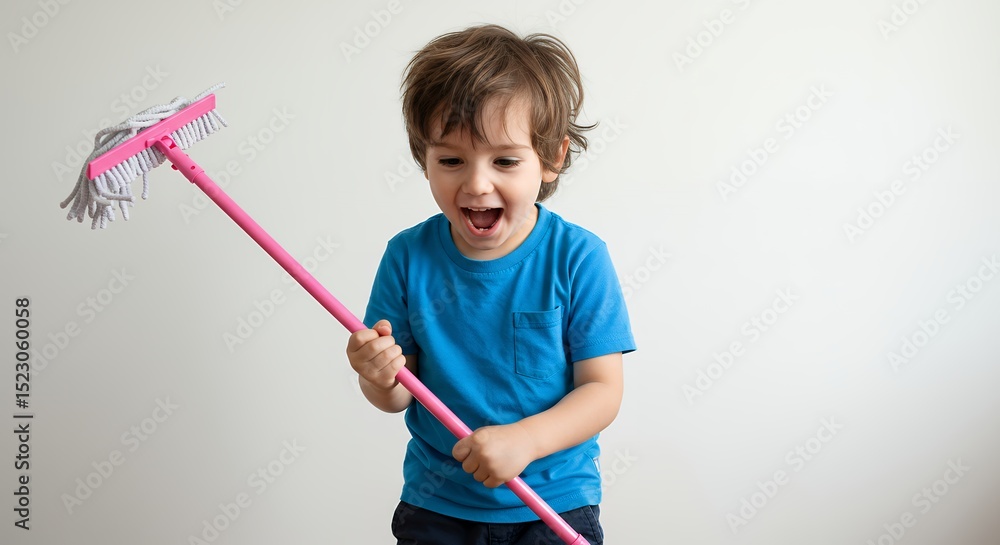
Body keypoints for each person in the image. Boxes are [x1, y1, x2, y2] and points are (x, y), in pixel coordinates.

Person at [346, 24, 635, 545]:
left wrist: (526, 440)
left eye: (505, 160)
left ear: (551, 159)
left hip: (554, 504)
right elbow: (397, 395)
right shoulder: (407, 256)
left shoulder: (579, 258)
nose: (477, 183)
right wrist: (378, 375)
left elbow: (602, 391)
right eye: (451, 160)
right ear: (423, 158)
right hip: (437, 506)